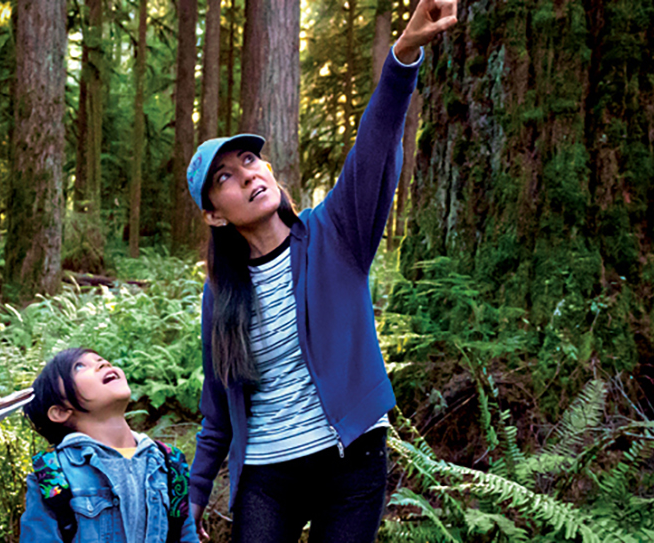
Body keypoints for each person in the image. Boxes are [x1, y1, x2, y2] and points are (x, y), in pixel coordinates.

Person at [184, 1, 459, 541]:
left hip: (351, 460)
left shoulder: (337, 234)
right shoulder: (220, 296)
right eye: (225, 177)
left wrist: (403, 56)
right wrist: (196, 492)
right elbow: (217, 406)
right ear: (214, 213)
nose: (246, 175)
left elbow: (375, 147)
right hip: (266, 474)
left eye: (250, 162)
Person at [20, 349, 198, 543]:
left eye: (102, 360)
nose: (104, 364)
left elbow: (186, 536)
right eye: (79, 367)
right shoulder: (53, 475)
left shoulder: (169, 463)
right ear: (61, 411)